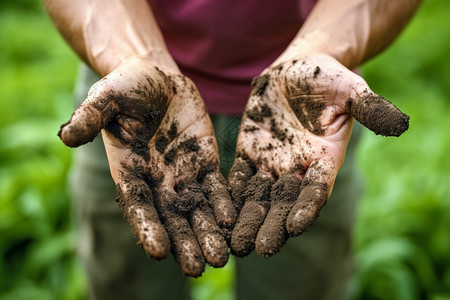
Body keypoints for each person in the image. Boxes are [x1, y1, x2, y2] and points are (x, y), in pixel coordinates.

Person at [44, 0, 421, 299]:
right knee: (127, 284)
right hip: (134, 100)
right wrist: (134, 57)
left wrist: (324, 46)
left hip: (308, 109)